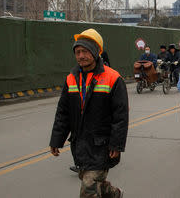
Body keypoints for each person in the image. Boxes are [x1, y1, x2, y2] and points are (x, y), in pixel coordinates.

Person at [49, 28, 128, 198]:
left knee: (89, 187)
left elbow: (120, 115)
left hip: (102, 145)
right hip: (80, 144)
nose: (80, 56)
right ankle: (113, 194)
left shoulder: (113, 78)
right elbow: (63, 112)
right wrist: (56, 139)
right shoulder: (71, 78)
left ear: (94, 52)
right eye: (77, 52)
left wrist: (116, 144)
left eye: (85, 51)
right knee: (90, 180)